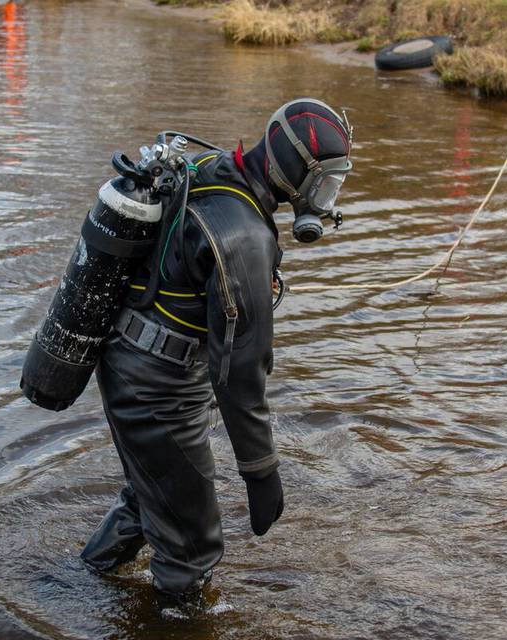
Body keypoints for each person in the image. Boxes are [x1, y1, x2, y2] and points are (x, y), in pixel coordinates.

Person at [80, 98, 353, 606]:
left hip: (125, 356)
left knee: (152, 498)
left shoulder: (209, 165)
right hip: (157, 390)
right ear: (300, 174)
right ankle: (169, 621)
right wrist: (261, 473)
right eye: (327, 183)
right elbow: (242, 373)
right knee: (191, 555)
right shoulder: (244, 237)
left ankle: (73, 584)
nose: (327, 198)